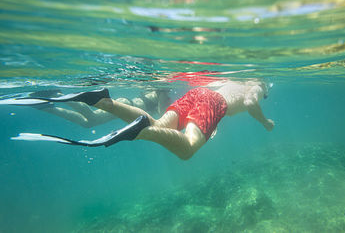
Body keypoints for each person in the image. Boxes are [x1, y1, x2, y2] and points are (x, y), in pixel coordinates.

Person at [12, 80, 274, 160]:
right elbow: (250, 102)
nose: (265, 93)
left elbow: (207, 96)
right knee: (187, 149)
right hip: (214, 103)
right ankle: (138, 131)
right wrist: (264, 121)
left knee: (159, 126)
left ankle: (104, 101)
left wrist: (210, 121)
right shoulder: (255, 86)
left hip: (201, 94)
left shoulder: (229, 80)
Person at [30, 89, 171, 128]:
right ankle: (57, 95)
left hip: (127, 106)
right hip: (128, 105)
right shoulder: (163, 91)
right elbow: (161, 114)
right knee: (92, 117)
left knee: (88, 123)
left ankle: (47, 108)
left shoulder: (160, 91)